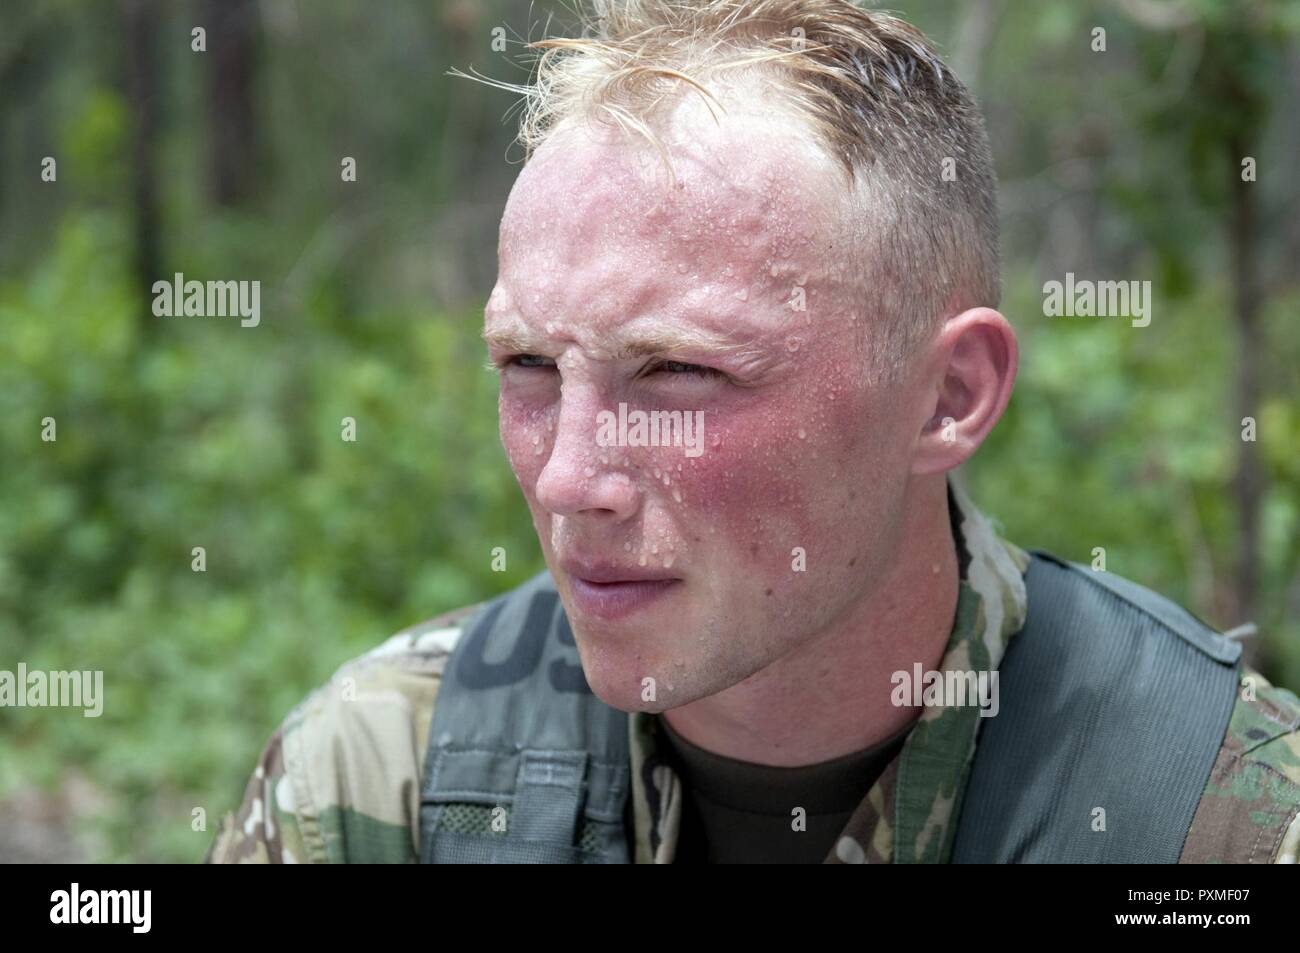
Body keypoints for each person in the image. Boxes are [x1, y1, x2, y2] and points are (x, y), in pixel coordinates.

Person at [206, 0, 1300, 864]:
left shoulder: (1215, 814)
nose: (569, 476)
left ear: (948, 395)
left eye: (677, 371)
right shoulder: (380, 781)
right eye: (528, 365)